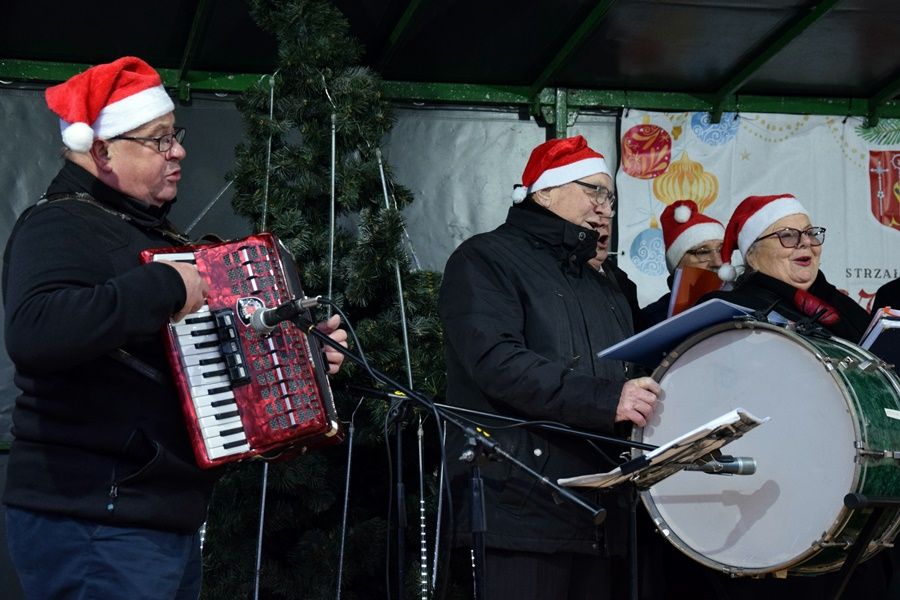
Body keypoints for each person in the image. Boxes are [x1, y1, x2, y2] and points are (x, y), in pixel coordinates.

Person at [2, 56, 348, 599]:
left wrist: (301, 358)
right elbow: (36, 332)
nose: (179, 151)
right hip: (96, 519)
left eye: (174, 136)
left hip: (154, 517)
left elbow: (189, 362)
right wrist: (165, 287)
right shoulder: (61, 223)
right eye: (160, 140)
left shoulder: (145, 230)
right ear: (102, 150)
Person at [438, 135, 661, 599]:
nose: (606, 207)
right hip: (519, 508)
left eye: (611, 196)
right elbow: (498, 363)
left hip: (601, 511)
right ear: (544, 192)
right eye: (592, 190)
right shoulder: (485, 259)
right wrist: (609, 399)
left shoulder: (607, 284)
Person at [695, 193, 892, 598]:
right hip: (772, 500)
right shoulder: (723, 311)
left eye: (809, 233)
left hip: (857, 494)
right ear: (750, 255)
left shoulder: (845, 310)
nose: (805, 243)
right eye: (787, 235)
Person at [641, 200, 725, 326]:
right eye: (702, 252)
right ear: (677, 263)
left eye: (722, 249)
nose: (718, 262)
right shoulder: (652, 320)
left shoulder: (743, 305)